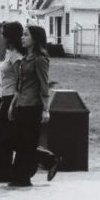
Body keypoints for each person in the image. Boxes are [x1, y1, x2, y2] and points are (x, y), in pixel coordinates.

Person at [7, 25, 60, 187]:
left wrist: (45, 109)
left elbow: (44, 86)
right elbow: (19, 85)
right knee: (17, 141)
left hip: (33, 106)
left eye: (26, 35)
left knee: (27, 143)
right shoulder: (25, 59)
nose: (22, 37)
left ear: (35, 39)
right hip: (22, 104)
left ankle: (22, 177)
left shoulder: (40, 60)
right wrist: (12, 105)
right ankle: (49, 160)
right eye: (22, 35)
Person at [0, 21, 25, 182]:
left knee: (5, 136)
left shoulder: (16, 54)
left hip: (12, 98)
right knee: (3, 136)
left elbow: (21, 79)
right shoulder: (10, 53)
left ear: (9, 37)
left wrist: (14, 102)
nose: (1, 38)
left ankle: (2, 171)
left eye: (4, 35)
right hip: (6, 96)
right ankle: (0, 171)